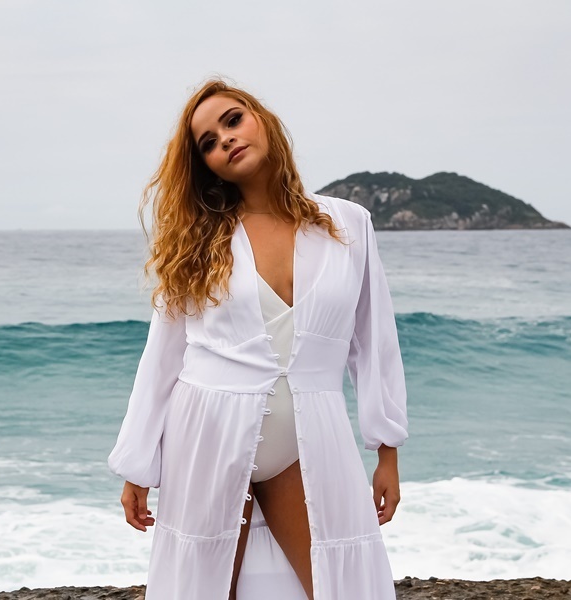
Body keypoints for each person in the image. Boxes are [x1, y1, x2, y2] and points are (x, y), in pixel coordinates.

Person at [107, 77, 408, 600]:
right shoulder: (200, 242)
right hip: (206, 435)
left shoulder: (348, 224)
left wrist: (387, 452)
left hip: (310, 438)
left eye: (231, 120)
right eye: (207, 142)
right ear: (206, 166)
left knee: (339, 588)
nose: (224, 139)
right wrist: (138, 465)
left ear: (260, 120)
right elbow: (163, 357)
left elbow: (374, 341)